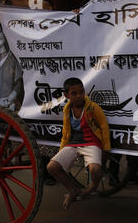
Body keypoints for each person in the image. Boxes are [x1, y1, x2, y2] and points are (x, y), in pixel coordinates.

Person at [46, 78, 111, 210]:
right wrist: (62, 150)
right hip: (74, 143)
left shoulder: (93, 107)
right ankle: (72, 190)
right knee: (52, 167)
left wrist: (106, 149)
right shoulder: (67, 110)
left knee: (96, 170)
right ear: (67, 95)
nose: (79, 96)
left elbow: (104, 127)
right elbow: (66, 131)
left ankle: (92, 187)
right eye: (74, 93)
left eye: (81, 92)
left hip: (92, 142)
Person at [0, 18, 24, 111]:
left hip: (10, 105)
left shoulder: (13, 56)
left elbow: (19, 82)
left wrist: (9, 99)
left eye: (1, 32)